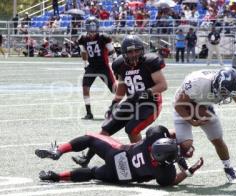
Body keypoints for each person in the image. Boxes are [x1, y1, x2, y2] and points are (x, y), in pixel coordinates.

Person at [35, 125, 204, 186]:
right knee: (93, 173)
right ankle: (56, 177)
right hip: (123, 176)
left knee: (90, 138)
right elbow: (171, 181)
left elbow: (170, 133)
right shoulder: (164, 171)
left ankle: (59, 150)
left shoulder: (154, 136)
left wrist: (181, 144)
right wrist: (189, 171)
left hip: (118, 153)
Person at [173, 67, 236, 184]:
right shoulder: (197, 83)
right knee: (186, 145)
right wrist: (193, 122)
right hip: (184, 106)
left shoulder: (226, 85)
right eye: (224, 92)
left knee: (217, 140)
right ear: (217, 83)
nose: (225, 96)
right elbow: (178, 105)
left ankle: (228, 167)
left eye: (228, 93)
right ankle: (177, 150)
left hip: (204, 106)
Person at [101, 35, 168, 143]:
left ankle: (139, 154)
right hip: (132, 101)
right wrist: (114, 103)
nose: (134, 54)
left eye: (137, 51)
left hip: (150, 102)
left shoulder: (150, 62)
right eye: (130, 52)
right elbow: (122, 87)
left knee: (131, 129)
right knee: (106, 128)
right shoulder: (120, 65)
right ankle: (87, 156)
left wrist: (145, 93)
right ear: (124, 53)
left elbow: (163, 85)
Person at [77, 16, 118, 120]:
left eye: (93, 26)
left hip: (103, 66)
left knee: (115, 90)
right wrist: (85, 65)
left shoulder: (103, 37)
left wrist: (116, 66)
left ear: (97, 26)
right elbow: (83, 53)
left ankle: (116, 107)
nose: (92, 28)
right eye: (90, 26)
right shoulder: (82, 39)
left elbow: (112, 52)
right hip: (91, 66)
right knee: (85, 87)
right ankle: (89, 112)